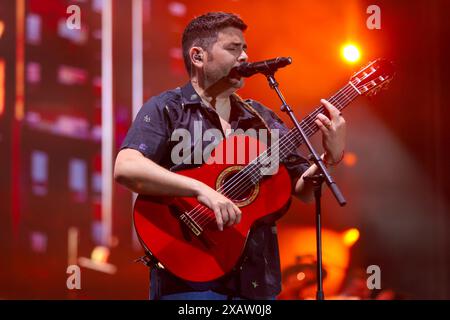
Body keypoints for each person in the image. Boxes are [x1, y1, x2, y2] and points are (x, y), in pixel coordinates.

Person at [114, 12, 346, 300]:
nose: (245, 57)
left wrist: (327, 157)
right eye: (233, 48)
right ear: (198, 56)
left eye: (245, 48)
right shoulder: (167, 108)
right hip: (188, 280)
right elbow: (126, 167)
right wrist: (202, 190)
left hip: (256, 282)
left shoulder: (261, 118)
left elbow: (304, 190)